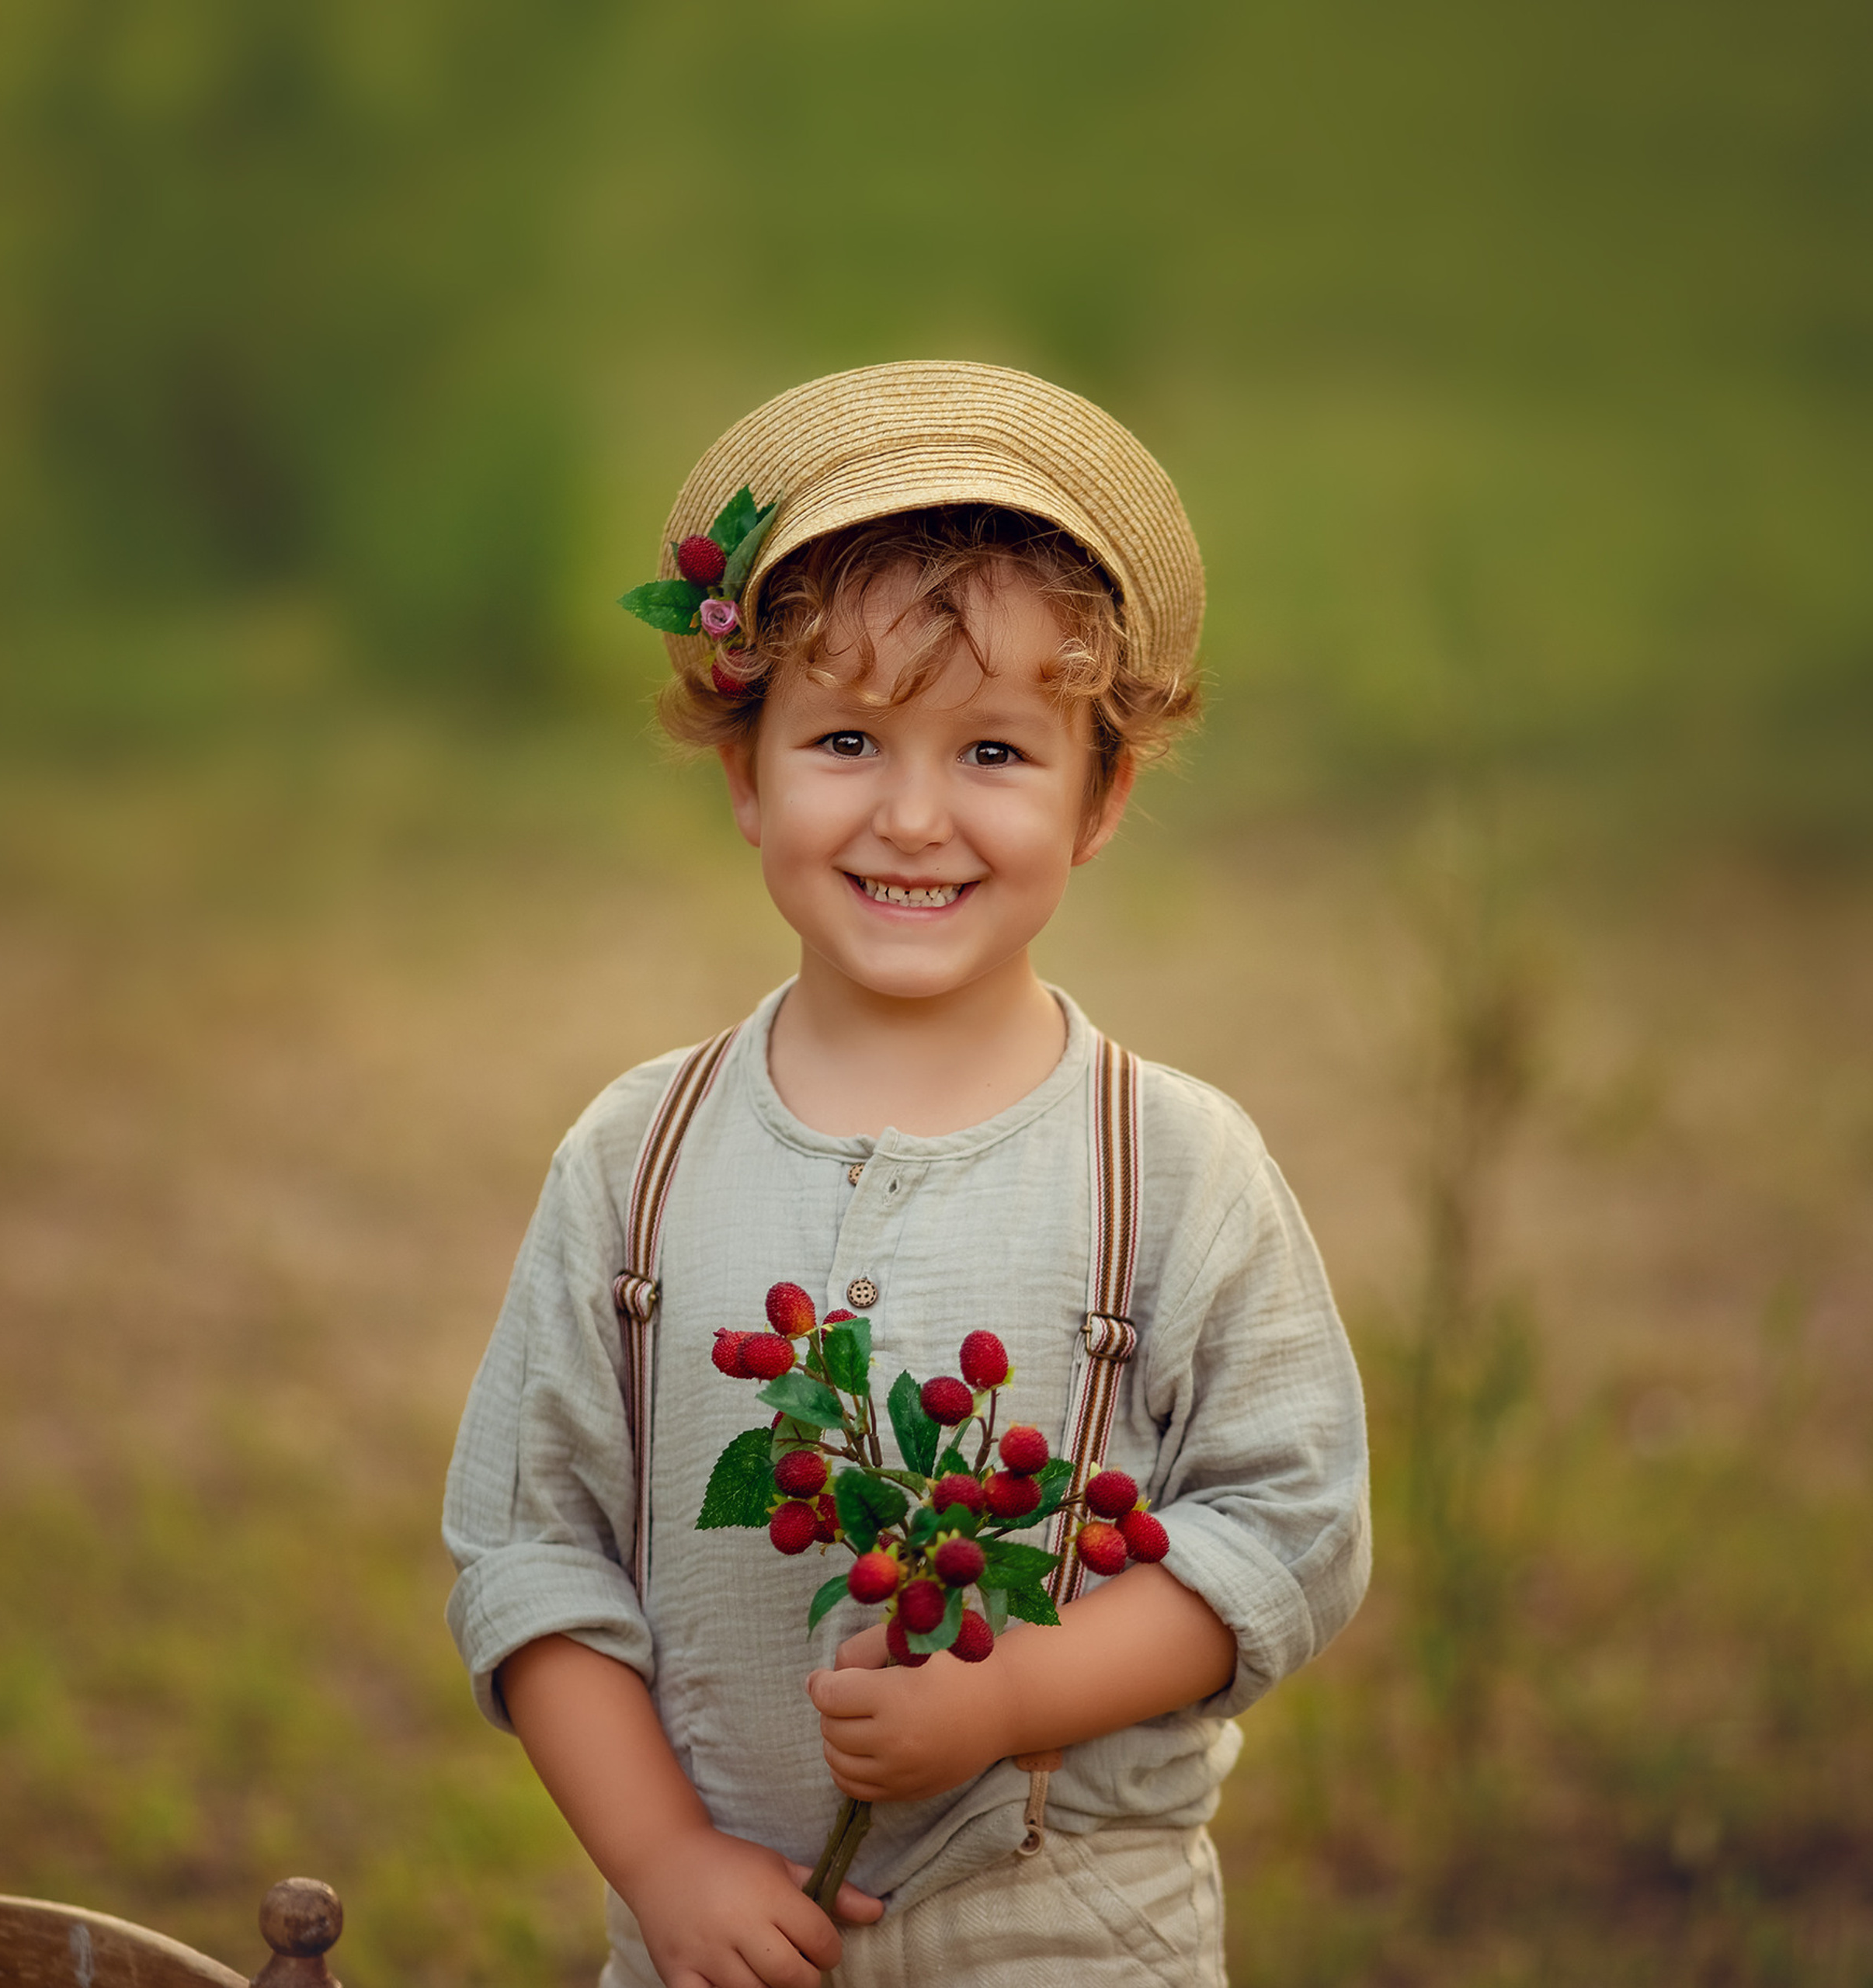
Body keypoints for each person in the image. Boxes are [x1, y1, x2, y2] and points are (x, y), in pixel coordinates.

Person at [443, 362, 1370, 1988]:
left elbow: (1287, 1523)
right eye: (847, 737)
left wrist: (1008, 1694)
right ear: (746, 770)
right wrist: (664, 1858)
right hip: (717, 1942)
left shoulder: (1174, 1165)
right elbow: (532, 1551)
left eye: (996, 751)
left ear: (1101, 795)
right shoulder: (634, 1159)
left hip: (1071, 1933)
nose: (913, 812)